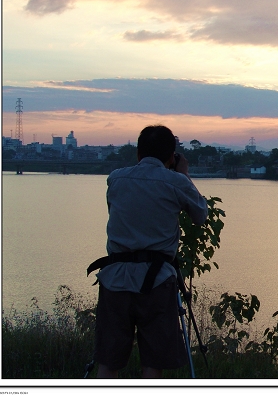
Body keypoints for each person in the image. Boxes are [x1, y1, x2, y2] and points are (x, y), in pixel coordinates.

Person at [89, 125, 208, 378]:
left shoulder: (116, 179)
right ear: (171, 156)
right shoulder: (175, 181)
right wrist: (183, 174)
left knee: (108, 361)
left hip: (114, 279)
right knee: (153, 362)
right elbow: (200, 215)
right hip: (157, 282)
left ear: (138, 153)